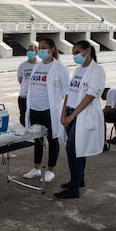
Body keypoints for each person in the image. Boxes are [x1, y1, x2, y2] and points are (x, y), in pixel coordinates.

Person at [54, 40, 106, 199]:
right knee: (78, 149)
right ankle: (79, 179)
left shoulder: (97, 71)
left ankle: (74, 189)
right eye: (73, 53)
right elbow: (69, 93)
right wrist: (63, 113)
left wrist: (72, 115)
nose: (75, 56)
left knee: (73, 150)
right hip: (70, 112)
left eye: (77, 52)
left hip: (81, 115)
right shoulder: (78, 70)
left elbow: (90, 96)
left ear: (88, 51)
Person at [23, 38, 69, 183]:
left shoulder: (60, 69)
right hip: (34, 108)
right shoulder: (38, 66)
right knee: (37, 139)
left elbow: (65, 92)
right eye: (39, 48)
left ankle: (50, 170)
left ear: (53, 49)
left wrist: (61, 110)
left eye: (44, 48)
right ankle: (36, 168)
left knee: (52, 139)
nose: (41, 51)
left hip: (49, 110)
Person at [17, 43, 39, 126]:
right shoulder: (22, 66)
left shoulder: (40, 64)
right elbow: (20, 80)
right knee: (23, 117)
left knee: (34, 118)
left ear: (36, 52)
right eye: (28, 50)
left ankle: (37, 138)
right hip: (24, 96)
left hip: (35, 97)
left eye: (32, 50)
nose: (30, 52)